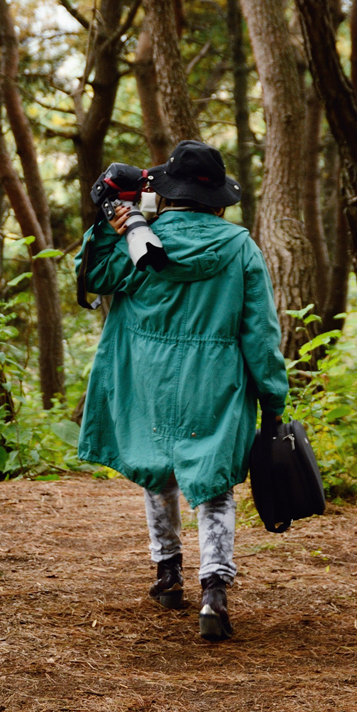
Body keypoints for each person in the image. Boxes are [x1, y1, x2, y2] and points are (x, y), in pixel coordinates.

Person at [75, 140, 288, 641]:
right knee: (214, 482)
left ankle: (167, 573)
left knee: (157, 470)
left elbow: (93, 274)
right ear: (218, 202)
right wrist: (273, 399)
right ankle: (214, 591)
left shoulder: (139, 241)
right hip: (216, 379)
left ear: (167, 194)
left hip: (147, 377)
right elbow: (260, 332)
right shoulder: (239, 247)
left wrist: (109, 221)